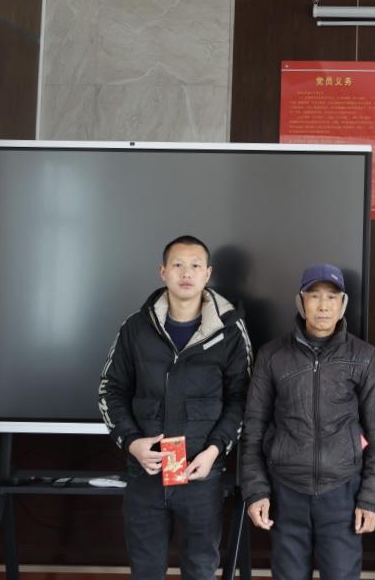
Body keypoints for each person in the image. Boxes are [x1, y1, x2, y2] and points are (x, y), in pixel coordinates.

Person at [98, 235, 252, 580]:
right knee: (146, 570)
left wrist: (214, 450)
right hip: (145, 474)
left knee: (200, 569)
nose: (186, 273)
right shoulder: (135, 328)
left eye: (195, 265)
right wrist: (132, 443)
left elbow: (242, 399)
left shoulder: (229, 330)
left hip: (201, 475)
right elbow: (110, 391)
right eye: (178, 265)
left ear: (208, 273)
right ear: (163, 272)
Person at [240, 263, 375, 580]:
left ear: (343, 304)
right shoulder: (272, 355)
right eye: (314, 296)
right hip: (285, 492)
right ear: (301, 301)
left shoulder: (364, 356)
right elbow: (253, 429)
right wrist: (256, 490)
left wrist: (372, 498)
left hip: (343, 492)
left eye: (332, 297)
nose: (323, 306)